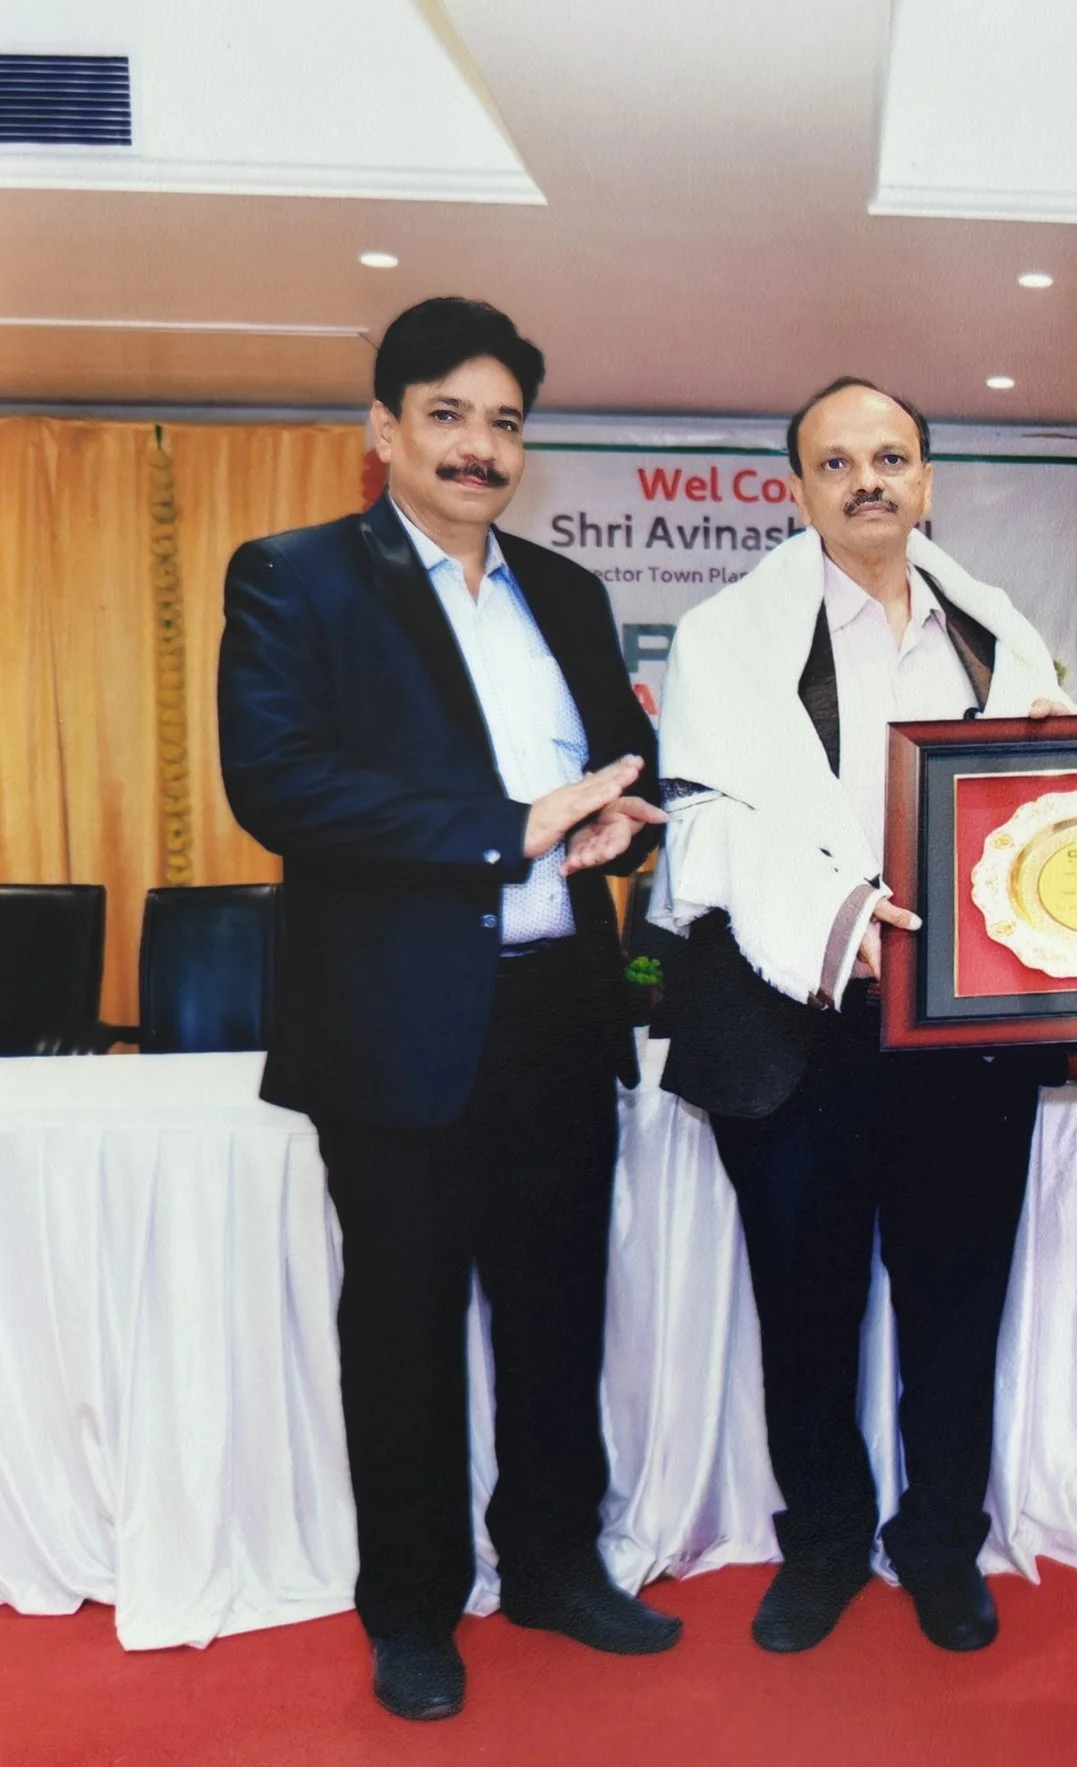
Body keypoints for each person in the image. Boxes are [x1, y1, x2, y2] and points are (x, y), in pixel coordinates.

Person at [218, 297, 676, 1723]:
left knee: (557, 1311)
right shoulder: (298, 578)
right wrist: (505, 826)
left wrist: (620, 829)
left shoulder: (568, 591)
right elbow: (279, 784)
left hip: (559, 1009)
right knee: (405, 1334)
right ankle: (412, 1607)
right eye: (449, 414)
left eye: (505, 421)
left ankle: (551, 1562)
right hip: (400, 1032)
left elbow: (623, 766)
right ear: (384, 428)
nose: (481, 448)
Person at [649, 377, 1074, 1659]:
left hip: (961, 1030)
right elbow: (708, 831)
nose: (868, 480)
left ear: (927, 480)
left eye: (890, 457)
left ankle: (941, 1545)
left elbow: (1047, 801)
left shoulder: (999, 634)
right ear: (798, 491)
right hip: (796, 1031)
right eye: (837, 463)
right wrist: (842, 920)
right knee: (805, 1305)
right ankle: (826, 1543)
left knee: (957, 1299)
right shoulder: (725, 637)